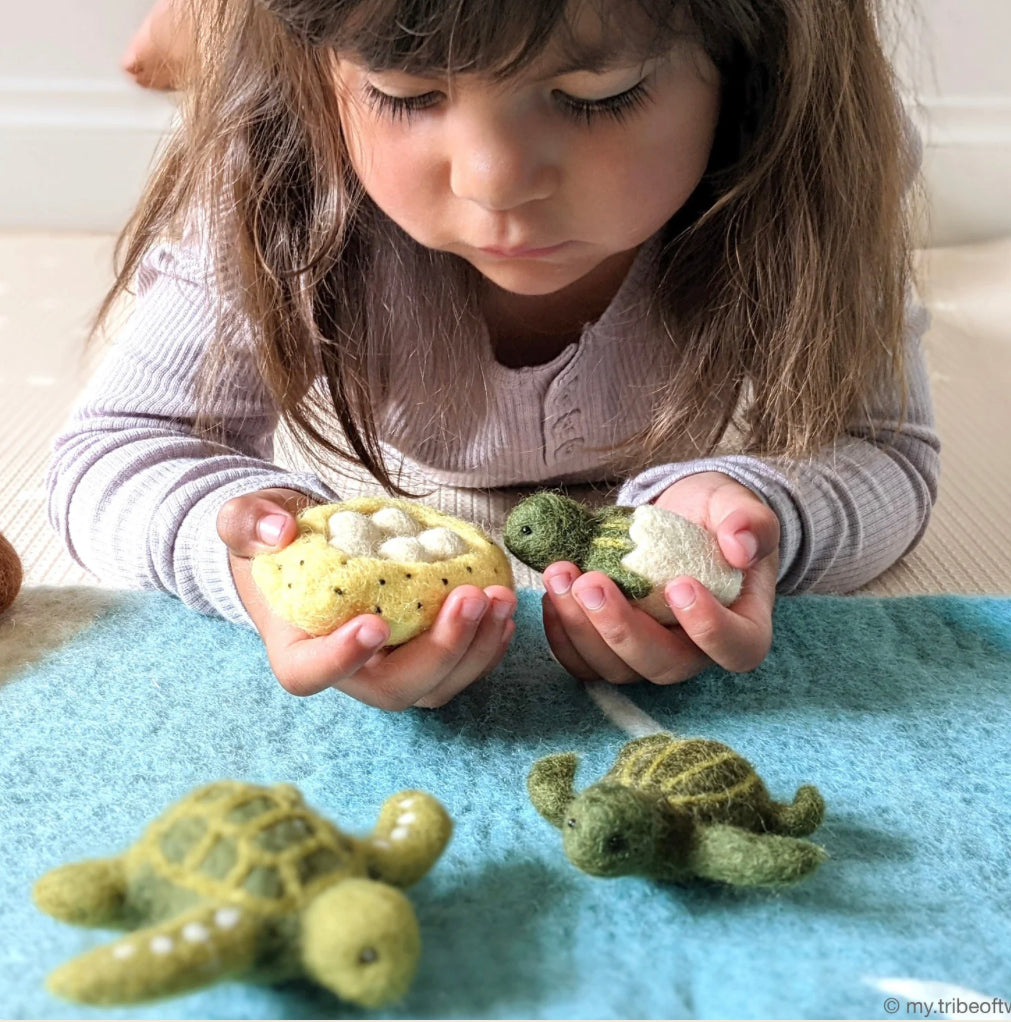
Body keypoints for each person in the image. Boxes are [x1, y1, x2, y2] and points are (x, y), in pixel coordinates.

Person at [51, 0, 939, 710]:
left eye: (596, 92)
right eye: (404, 92)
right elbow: (115, 446)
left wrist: (763, 516)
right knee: (209, 49)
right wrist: (253, 559)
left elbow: (884, 449)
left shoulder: (820, 166)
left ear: (751, 74)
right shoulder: (270, 162)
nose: (492, 179)